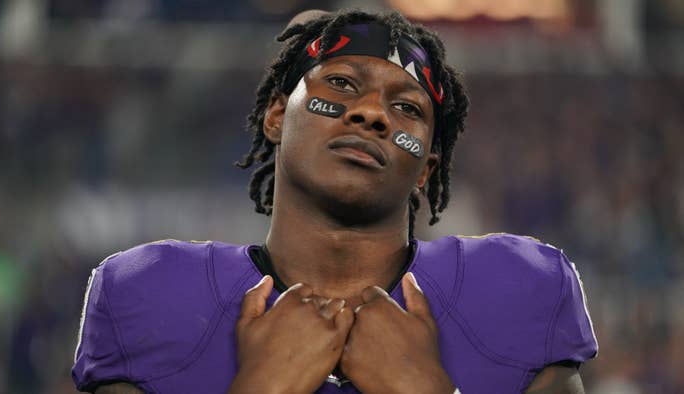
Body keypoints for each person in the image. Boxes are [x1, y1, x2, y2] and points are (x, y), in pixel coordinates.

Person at [72, 9, 597, 394]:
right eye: (342, 84)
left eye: (406, 107)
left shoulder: (524, 288)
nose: (372, 114)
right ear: (276, 116)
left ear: (425, 171)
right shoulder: (143, 293)